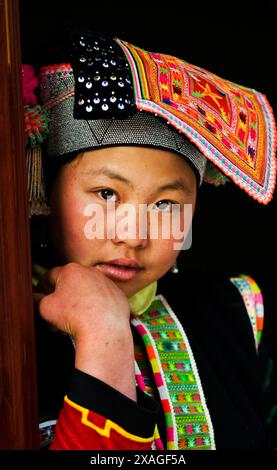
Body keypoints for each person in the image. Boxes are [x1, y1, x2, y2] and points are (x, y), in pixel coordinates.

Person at [24, 30, 277, 450]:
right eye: (106, 194)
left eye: (165, 204)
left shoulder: (238, 315)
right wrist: (104, 334)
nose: (134, 235)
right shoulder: (13, 332)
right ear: (46, 190)